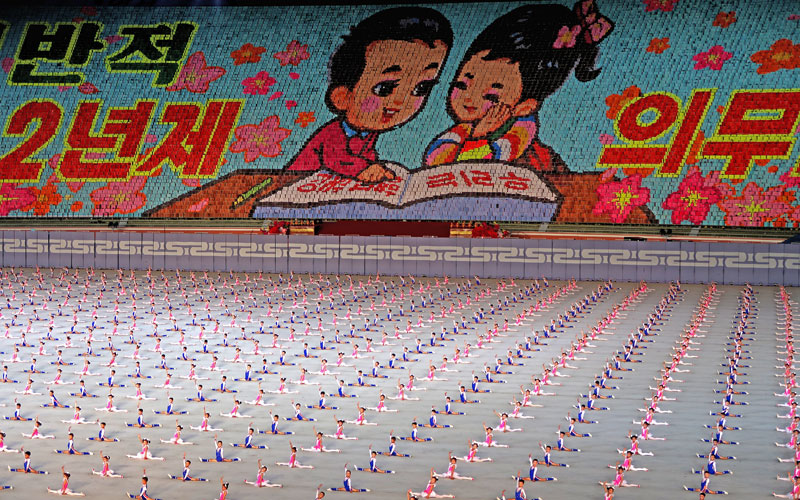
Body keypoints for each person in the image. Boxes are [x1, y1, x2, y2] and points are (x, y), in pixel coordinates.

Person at [284, 7, 453, 182]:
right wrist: (364, 169)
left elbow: (365, 156)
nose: (400, 102)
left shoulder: (368, 132)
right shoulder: (333, 133)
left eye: (421, 88)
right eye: (384, 88)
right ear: (343, 97)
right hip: (295, 187)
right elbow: (337, 159)